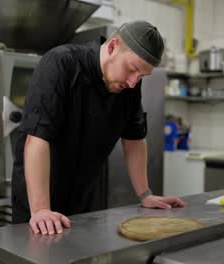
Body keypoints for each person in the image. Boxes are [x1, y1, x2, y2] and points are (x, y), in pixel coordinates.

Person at [12, 20, 186, 235]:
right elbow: (37, 139)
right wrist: (40, 210)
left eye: (141, 76)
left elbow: (134, 139)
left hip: (83, 197)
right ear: (113, 46)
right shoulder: (61, 63)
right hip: (37, 201)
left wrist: (145, 194)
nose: (133, 82)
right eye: (132, 69)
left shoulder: (130, 86)